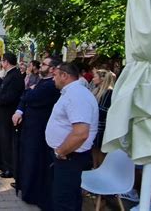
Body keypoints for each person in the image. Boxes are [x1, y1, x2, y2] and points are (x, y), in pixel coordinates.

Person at [45, 62, 99, 211]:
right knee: (68, 197)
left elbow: (81, 133)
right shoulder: (71, 92)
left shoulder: (77, 95)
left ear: (65, 75)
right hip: (67, 155)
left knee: (64, 200)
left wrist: (60, 151)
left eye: (55, 75)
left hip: (69, 156)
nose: (52, 78)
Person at [11, 57, 61, 209]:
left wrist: (27, 93)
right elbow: (25, 98)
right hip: (29, 127)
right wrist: (20, 108)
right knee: (27, 159)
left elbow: (29, 97)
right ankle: (25, 187)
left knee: (34, 160)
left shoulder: (51, 85)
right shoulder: (41, 81)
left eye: (44, 64)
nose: (41, 65)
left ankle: (31, 192)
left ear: (52, 69)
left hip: (39, 129)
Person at [0, 53, 24, 178]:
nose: (1, 64)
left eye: (2, 61)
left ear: (7, 62)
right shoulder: (10, 75)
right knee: (2, 141)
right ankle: (3, 165)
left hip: (7, 114)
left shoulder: (15, 76)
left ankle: (9, 168)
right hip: (2, 114)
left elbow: (11, 97)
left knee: (7, 142)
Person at [91, 69, 115, 168]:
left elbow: (103, 111)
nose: (93, 79)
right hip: (95, 125)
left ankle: (100, 169)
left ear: (102, 79)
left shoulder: (108, 92)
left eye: (95, 76)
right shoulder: (97, 90)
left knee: (100, 151)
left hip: (101, 127)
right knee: (94, 150)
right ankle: (94, 167)